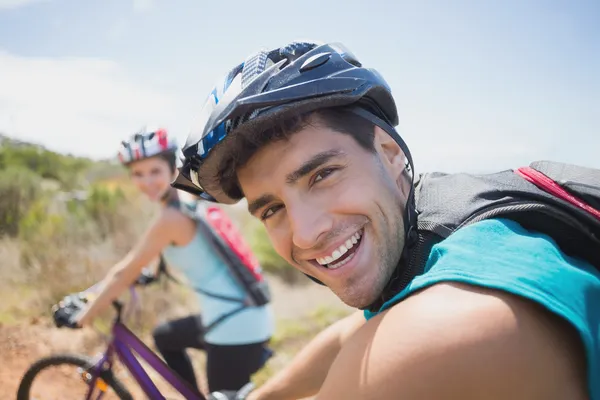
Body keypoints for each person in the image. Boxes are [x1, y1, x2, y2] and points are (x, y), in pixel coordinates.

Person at [173, 41, 600, 400]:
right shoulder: (438, 214)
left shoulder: (439, 330)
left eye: (321, 175)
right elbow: (350, 332)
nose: (305, 233)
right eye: (272, 209)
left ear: (390, 153)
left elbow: (384, 343)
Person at [67, 127, 275, 394]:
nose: (147, 181)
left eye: (155, 171)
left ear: (171, 168)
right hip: (246, 311)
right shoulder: (192, 198)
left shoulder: (171, 218)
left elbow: (123, 272)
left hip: (235, 326)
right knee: (166, 336)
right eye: (138, 174)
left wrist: (84, 316)